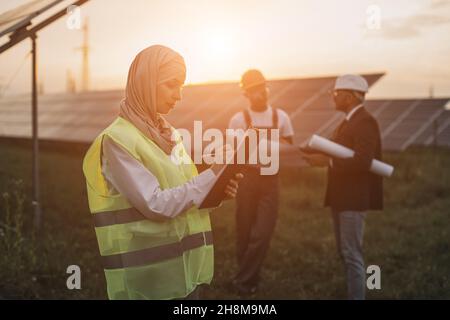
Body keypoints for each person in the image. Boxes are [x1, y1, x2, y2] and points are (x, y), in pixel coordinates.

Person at [82, 45, 242, 300]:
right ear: (146, 82)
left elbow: (183, 191)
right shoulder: (117, 140)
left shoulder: (169, 134)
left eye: (182, 86)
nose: (178, 96)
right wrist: (210, 176)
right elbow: (156, 204)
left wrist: (215, 191)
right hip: (150, 280)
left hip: (184, 269)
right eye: (171, 85)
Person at [302, 74, 383, 300]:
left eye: (336, 94)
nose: (333, 98)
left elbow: (362, 160)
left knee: (352, 254)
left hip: (353, 199)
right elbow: (337, 149)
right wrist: (312, 150)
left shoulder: (365, 121)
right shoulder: (348, 121)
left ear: (349, 96)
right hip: (341, 198)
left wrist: (326, 161)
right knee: (346, 252)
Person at [227, 69, 294, 295]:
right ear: (246, 94)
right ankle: (249, 279)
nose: (260, 93)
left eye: (262, 88)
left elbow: (289, 148)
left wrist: (266, 146)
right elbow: (232, 154)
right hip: (247, 178)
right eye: (254, 90)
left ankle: (242, 281)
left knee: (262, 233)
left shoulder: (281, 117)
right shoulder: (238, 120)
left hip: (270, 180)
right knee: (244, 231)